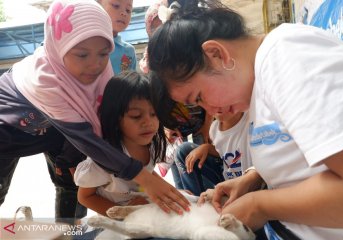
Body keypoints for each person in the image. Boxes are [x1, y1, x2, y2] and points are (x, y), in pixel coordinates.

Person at [147, 0, 343, 239]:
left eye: (199, 97)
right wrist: (255, 179)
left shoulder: (286, 55)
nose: (211, 110)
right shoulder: (257, 86)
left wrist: (260, 205)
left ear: (217, 54)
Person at [0, 0, 189, 220]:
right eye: (82, 55)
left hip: (52, 133)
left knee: (69, 184)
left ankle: (69, 233)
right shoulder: (44, 80)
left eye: (103, 54)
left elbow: (101, 118)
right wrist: (145, 179)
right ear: (58, 46)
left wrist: (72, 160)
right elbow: (86, 138)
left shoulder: (100, 68)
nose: (95, 65)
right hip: (7, 135)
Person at [140, 0, 217, 192]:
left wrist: (207, 124)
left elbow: (208, 94)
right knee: (179, 164)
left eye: (165, 26)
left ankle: (205, 198)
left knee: (200, 161)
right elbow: (154, 100)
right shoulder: (150, 62)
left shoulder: (190, 54)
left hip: (200, 121)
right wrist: (165, 127)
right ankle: (185, 197)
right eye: (156, 29)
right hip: (173, 126)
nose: (163, 33)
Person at [74, 71, 167, 216]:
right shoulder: (103, 160)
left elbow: (147, 173)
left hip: (143, 213)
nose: (148, 122)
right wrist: (125, 213)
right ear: (115, 118)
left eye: (154, 114)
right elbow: (85, 197)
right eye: (136, 116)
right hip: (114, 219)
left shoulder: (151, 145)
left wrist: (170, 191)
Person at [178, 111, 253, 196]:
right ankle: (196, 200)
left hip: (251, 185)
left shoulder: (252, 120)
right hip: (227, 178)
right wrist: (207, 147)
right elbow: (223, 152)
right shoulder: (214, 128)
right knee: (183, 150)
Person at [97, 0, 137, 74]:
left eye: (128, 10)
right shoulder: (86, 43)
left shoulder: (129, 51)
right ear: (97, 5)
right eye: (116, 6)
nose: (124, 13)